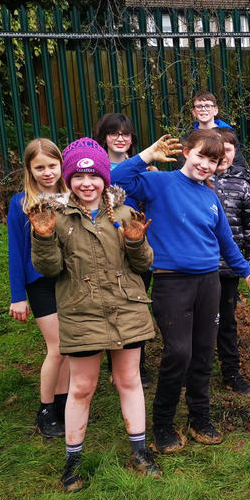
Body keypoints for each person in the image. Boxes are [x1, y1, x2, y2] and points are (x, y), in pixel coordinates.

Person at [111, 130, 250, 454]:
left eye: (213, 160)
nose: (206, 164)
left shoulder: (209, 197)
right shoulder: (160, 184)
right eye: (200, 156)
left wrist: (247, 272)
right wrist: (146, 156)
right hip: (172, 283)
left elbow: (225, 242)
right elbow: (114, 178)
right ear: (186, 152)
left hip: (209, 282)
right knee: (178, 352)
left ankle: (200, 418)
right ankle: (163, 425)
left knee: (202, 352)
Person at [29, 137, 162, 492]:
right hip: (81, 310)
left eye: (94, 176)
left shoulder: (123, 215)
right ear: (69, 180)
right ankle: (72, 463)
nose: (86, 183)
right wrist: (43, 239)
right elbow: (50, 269)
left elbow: (144, 264)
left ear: (104, 178)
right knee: (83, 387)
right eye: (78, 177)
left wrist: (135, 242)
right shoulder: (54, 219)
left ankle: (139, 453)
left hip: (126, 308)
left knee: (129, 380)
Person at [7, 138, 70, 438]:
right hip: (40, 284)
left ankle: (65, 407)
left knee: (71, 348)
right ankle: (45, 411)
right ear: (30, 170)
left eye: (52, 166)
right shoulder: (20, 203)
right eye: (39, 167)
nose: (47, 172)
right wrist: (18, 296)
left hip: (70, 280)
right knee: (57, 347)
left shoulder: (73, 198)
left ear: (61, 165)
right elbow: (15, 252)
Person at [93, 112, 153, 386]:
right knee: (113, 302)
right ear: (104, 137)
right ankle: (113, 362)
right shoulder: (95, 168)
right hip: (107, 245)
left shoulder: (145, 167)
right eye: (114, 133)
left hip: (138, 244)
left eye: (126, 134)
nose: (120, 138)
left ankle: (137, 364)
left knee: (137, 303)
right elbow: (113, 177)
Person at [212, 127, 250, 396]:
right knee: (201, 320)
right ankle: (194, 370)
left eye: (228, 149)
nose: (222, 155)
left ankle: (231, 372)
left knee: (227, 321)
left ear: (234, 153)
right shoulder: (198, 181)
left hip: (231, 268)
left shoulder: (242, 185)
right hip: (201, 268)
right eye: (217, 149)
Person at [189, 91, 248, 169]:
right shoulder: (189, 137)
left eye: (207, 106)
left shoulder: (227, 133)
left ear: (215, 110)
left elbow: (238, 162)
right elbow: (183, 164)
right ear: (194, 112)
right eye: (199, 106)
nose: (203, 109)